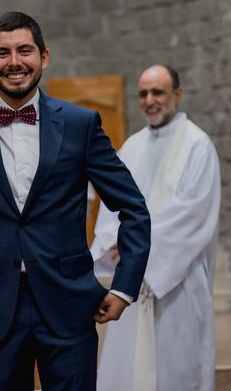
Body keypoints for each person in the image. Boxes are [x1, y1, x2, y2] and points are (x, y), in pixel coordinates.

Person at [0, 11, 152, 391]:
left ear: (44, 57)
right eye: (2, 53)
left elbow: (133, 208)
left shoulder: (81, 124)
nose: (14, 62)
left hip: (70, 308)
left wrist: (124, 287)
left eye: (24, 51)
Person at [90, 64, 220, 391]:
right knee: (128, 371)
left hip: (179, 282)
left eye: (158, 92)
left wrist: (134, 244)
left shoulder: (198, 145)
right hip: (133, 282)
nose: (150, 100)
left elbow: (193, 215)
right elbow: (111, 207)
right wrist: (117, 244)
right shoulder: (131, 147)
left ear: (177, 94)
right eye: (143, 94)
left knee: (178, 370)